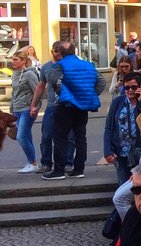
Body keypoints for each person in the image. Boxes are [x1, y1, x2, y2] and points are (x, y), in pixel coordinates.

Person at [39, 42, 104, 181]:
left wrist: (63, 94)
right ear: (75, 51)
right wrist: (90, 94)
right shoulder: (88, 64)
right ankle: (79, 169)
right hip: (83, 106)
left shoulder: (60, 65)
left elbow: (54, 81)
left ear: (60, 53)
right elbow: (101, 82)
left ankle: (59, 170)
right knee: (80, 137)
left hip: (66, 105)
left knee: (60, 137)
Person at [28, 41, 75, 175]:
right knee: (46, 135)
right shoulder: (46, 67)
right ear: (52, 51)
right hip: (52, 105)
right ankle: (46, 163)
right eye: (56, 51)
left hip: (68, 105)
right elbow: (41, 86)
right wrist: (34, 105)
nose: (58, 54)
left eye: (60, 52)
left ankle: (68, 163)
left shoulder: (69, 65)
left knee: (69, 136)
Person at [103, 72, 141, 184]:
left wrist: (140, 102)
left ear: (140, 87)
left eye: (134, 87)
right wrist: (108, 150)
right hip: (121, 152)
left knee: (140, 184)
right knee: (123, 185)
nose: (130, 90)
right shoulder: (118, 102)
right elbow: (109, 126)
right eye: (127, 87)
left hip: (140, 151)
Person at [9, 50, 40, 173]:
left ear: (24, 61)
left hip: (27, 109)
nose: (13, 62)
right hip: (17, 109)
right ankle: (32, 162)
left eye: (16, 60)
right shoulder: (15, 74)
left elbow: (38, 92)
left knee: (21, 136)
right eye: (12, 59)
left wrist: (35, 107)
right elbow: (14, 93)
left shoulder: (30, 75)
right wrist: (12, 108)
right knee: (26, 136)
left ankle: (32, 163)